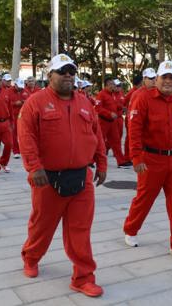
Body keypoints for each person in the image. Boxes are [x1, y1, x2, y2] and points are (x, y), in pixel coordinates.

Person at [18, 54, 107, 298]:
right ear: (50, 76)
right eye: (62, 71)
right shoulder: (35, 103)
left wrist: (102, 162)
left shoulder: (86, 103)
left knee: (80, 230)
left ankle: (83, 277)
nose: (68, 75)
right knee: (41, 226)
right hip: (47, 179)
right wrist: (33, 167)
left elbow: (96, 135)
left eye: (71, 71)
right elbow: (26, 137)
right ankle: (31, 256)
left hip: (81, 178)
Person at [123, 60, 172, 262]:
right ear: (157, 79)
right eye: (164, 77)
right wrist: (136, 157)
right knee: (144, 199)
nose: (168, 81)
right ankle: (131, 228)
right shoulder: (143, 98)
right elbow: (134, 130)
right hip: (151, 159)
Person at [95, 78, 132, 168]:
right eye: (111, 84)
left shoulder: (113, 94)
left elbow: (114, 105)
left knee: (116, 142)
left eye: (113, 84)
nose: (113, 86)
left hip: (113, 122)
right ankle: (91, 160)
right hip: (103, 122)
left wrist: (121, 108)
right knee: (99, 141)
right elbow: (98, 109)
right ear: (106, 85)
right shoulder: (101, 95)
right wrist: (109, 113)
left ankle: (121, 161)